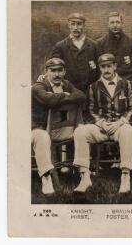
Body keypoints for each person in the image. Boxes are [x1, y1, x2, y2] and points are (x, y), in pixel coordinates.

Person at [73, 53, 132, 193]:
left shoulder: (127, 85)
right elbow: (89, 111)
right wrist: (101, 122)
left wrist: (120, 122)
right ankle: (85, 176)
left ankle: (125, 175)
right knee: (80, 131)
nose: (106, 70)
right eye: (103, 67)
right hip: (101, 127)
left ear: (115, 66)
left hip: (120, 126)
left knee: (128, 131)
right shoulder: (93, 87)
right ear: (99, 68)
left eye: (109, 66)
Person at [32, 58, 86, 195]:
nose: (57, 74)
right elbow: (48, 100)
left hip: (60, 129)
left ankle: (84, 174)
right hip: (39, 128)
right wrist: (66, 95)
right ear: (46, 72)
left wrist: (61, 95)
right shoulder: (38, 86)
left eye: (60, 70)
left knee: (82, 131)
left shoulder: (66, 84)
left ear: (64, 71)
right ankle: (46, 177)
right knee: (42, 137)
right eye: (53, 70)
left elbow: (81, 96)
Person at [49, 12, 98, 92]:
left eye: (79, 24)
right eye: (73, 24)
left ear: (84, 26)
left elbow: (99, 70)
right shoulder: (60, 46)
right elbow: (53, 68)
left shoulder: (94, 45)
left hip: (91, 91)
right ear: (69, 25)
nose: (75, 27)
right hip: (69, 91)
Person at [96, 11, 132, 87]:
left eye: (117, 22)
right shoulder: (100, 43)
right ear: (108, 24)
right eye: (112, 22)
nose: (115, 25)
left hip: (127, 82)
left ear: (122, 24)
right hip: (108, 84)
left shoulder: (131, 41)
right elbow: (98, 68)